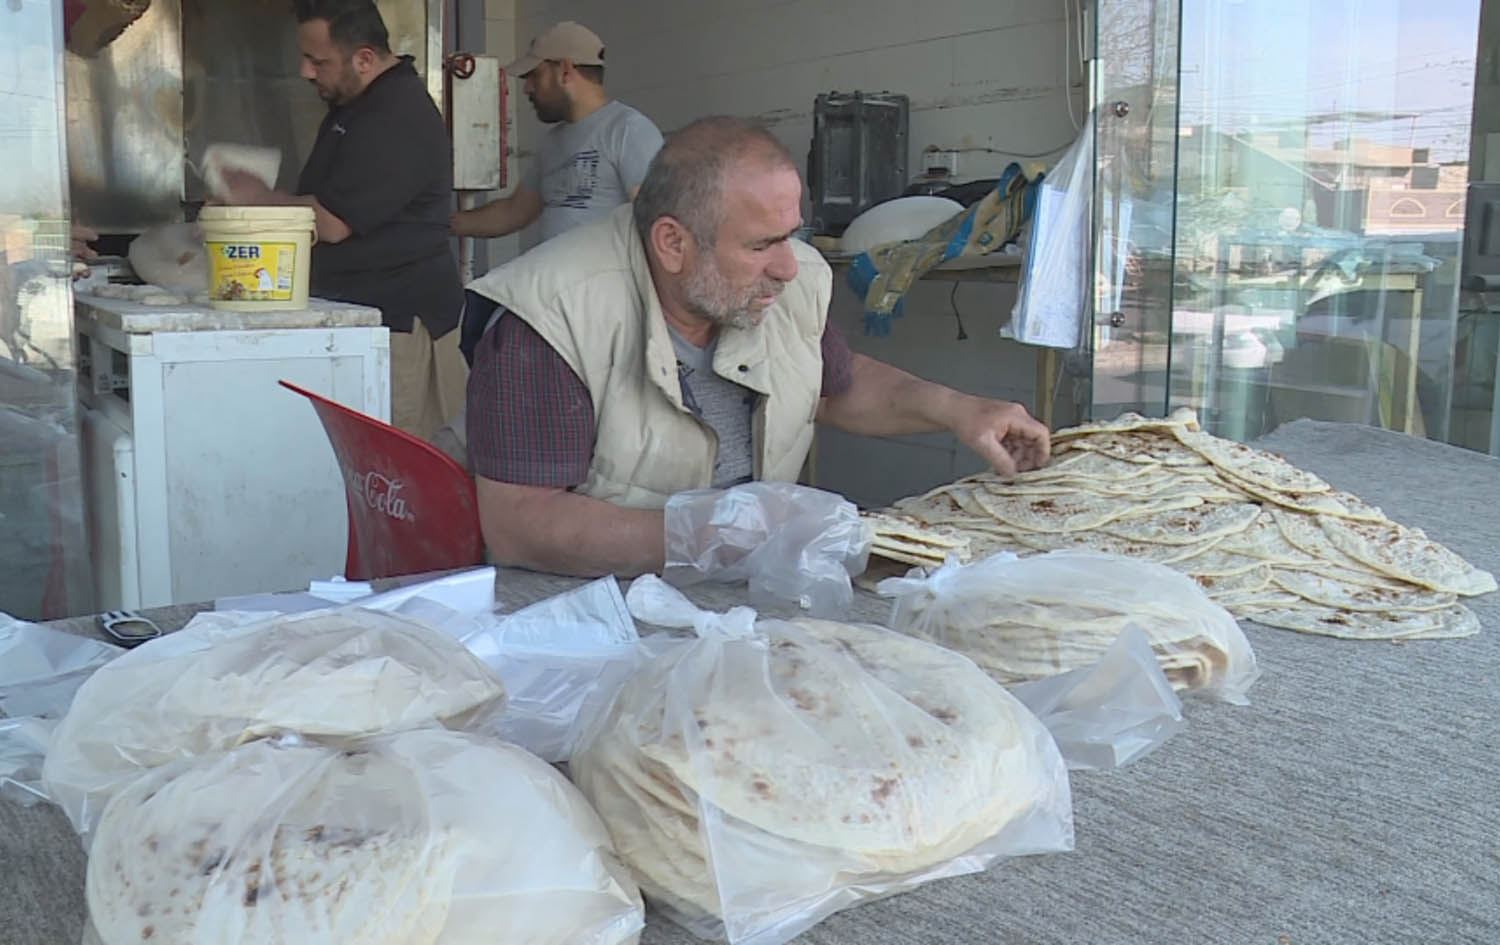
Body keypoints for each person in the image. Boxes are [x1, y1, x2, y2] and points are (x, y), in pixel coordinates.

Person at [463, 116, 1051, 577]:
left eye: (790, 235)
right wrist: (711, 533)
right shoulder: (550, 318)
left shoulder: (782, 285)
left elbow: (832, 384)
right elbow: (520, 525)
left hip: (739, 602)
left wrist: (957, 410)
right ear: (672, 244)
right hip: (585, 616)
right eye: (761, 245)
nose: (789, 267)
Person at [219, 0, 464, 441]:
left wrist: (257, 199)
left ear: (364, 59)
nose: (305, 71)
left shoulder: (396, 115)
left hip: (400, 328)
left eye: (318, 61)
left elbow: (332, 222)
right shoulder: (355, 105)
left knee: (396, 461)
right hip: (363, 322)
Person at [449, 21, 663, 244]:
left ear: (565, 71)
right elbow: (513, 212)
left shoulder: (629, 130)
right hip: (551, 267)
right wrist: (440, 225)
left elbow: (656, 222)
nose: (527, 88)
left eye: (534, 75)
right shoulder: (552, 142)